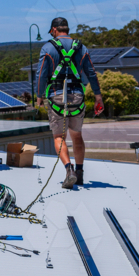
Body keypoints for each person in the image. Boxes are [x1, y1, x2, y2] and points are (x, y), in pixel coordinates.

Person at [36, 17, 104, 189]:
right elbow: (91, 73)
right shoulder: (81, 47)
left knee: (59, 137)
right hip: (77, 97)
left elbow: (41, 75)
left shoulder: (47, 48)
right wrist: (98, 96)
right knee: (77, 136)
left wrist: (39, 96)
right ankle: (80, 173)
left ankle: (69, 170)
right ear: (67, 29)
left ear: (53, 30)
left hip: (56, 96)